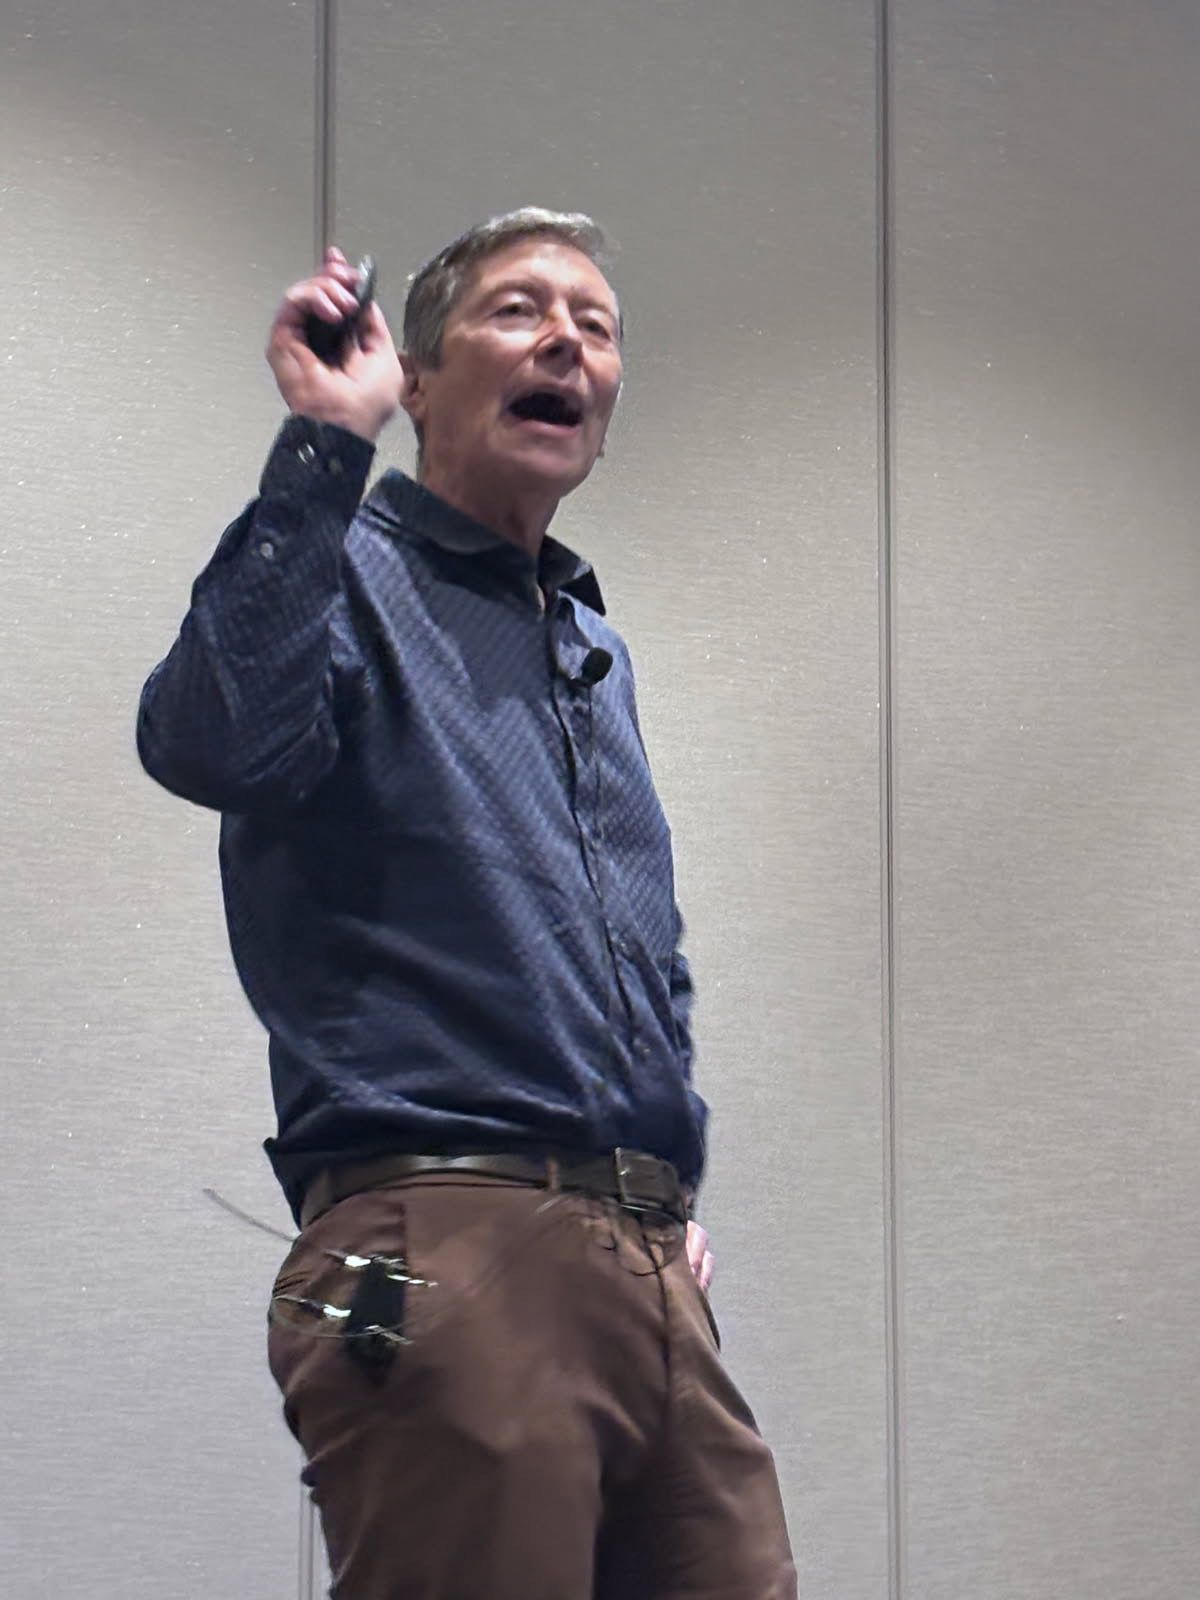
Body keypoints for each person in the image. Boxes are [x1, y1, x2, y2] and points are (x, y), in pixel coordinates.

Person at [137, 207, 797, 1600]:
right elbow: (212, 744)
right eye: (518, 310)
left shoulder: (590, 647)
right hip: (441, 1235)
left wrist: (664, 1181)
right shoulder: (348, 575)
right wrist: (327, 440)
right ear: (420, 383)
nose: (565, 337)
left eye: (595, 324)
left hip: (644, 1265)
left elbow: (640, 962)